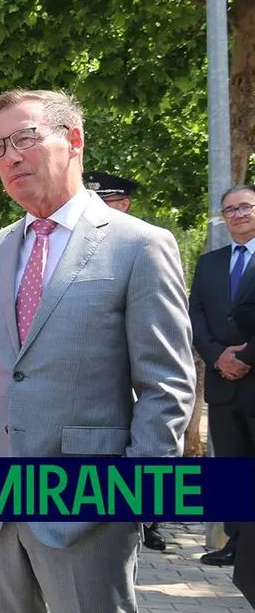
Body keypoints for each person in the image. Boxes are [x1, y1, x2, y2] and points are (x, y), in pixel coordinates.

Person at [0, 89, 195, 612]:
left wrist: (133, 501)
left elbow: (166, 389)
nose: (9, 156)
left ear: (73, 140)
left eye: (25, 139)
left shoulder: (140, 245)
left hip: (90, 511)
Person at [88, 170, 166, 551]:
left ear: (124, 206)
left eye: (108, 203)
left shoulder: (145, 247)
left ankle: (150, 521)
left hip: (132, 396)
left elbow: (165, 382)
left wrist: (142, 486)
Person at [192, 184, 255, 567]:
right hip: (223, 384)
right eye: (229, 210)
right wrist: (217, 357)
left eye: (245, 207)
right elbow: (195, 315)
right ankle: (238, 543)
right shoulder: (210, 263)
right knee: (232, 468)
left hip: (253, 375)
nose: (238, 215)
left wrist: (246, 356)